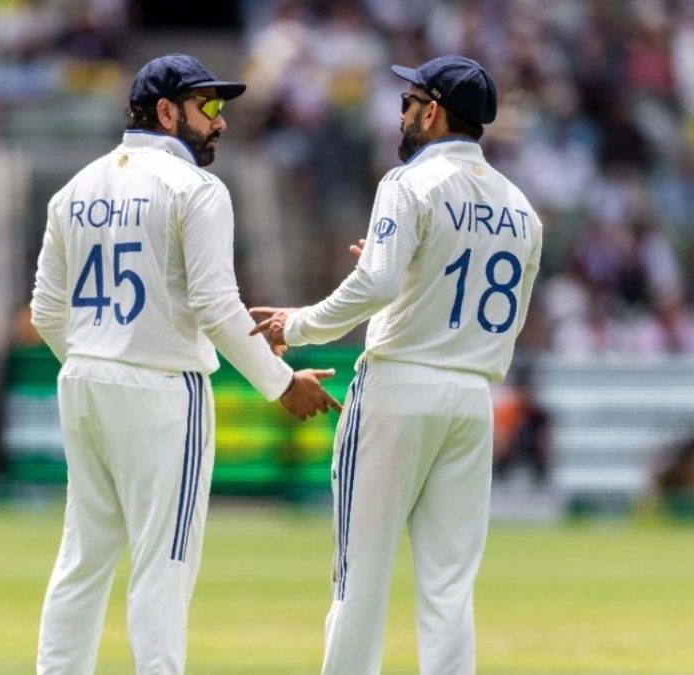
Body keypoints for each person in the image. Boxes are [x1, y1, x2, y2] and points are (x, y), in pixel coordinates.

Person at [29, 53, 341, 674]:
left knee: (83, 559)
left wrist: (103, 357)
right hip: (163, 391)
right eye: (208, 108)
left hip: (85, 379)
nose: (219, 123)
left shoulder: (76, 188)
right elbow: (217, 306)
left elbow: (44, 311)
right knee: (164, 564)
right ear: (166, 112)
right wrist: (282, 383)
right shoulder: (195, 189)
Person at [251, 56, 543, 674]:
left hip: (398, 389)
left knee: (360, 578)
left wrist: (296, 325)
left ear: (433, 110)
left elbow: (377, 284)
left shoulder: (407, 183)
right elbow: (491, 308)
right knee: (448, 589)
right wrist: (401, 276)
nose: (403, 113)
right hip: (471, 400)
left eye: (408, 101)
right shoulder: (522, 210)